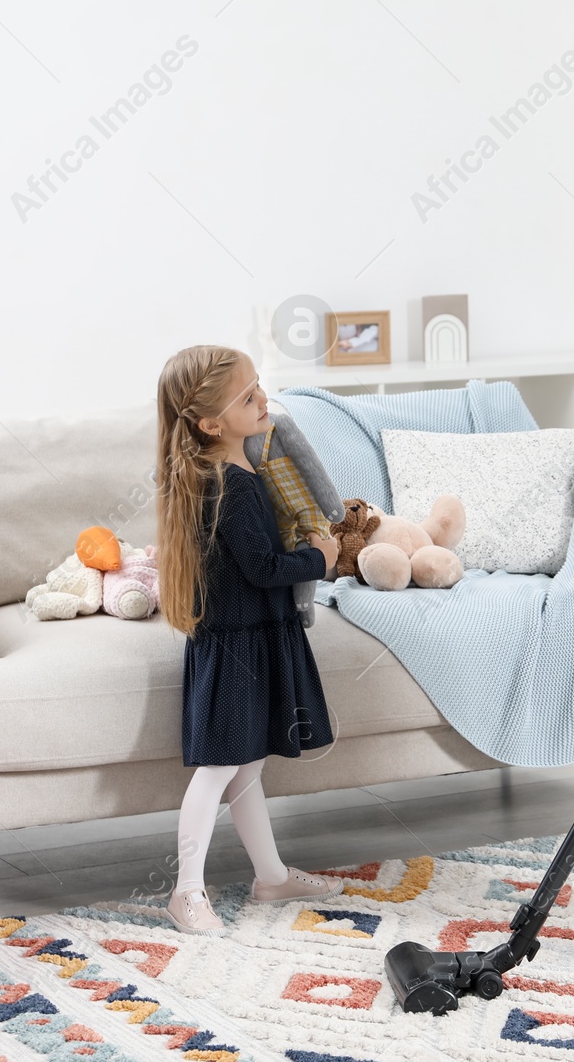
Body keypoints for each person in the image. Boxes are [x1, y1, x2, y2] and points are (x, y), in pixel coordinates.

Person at [155, 343, 346, 935]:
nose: (264, 400)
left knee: (246, 767)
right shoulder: (228, 485)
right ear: (211, 423)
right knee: (220, 768)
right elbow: (263, 568)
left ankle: (270, 874)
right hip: (238, 645)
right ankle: (186, 891)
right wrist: (319, 556)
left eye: (259, 386)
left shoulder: (237, 470)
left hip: (254, 637)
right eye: (248, 396)